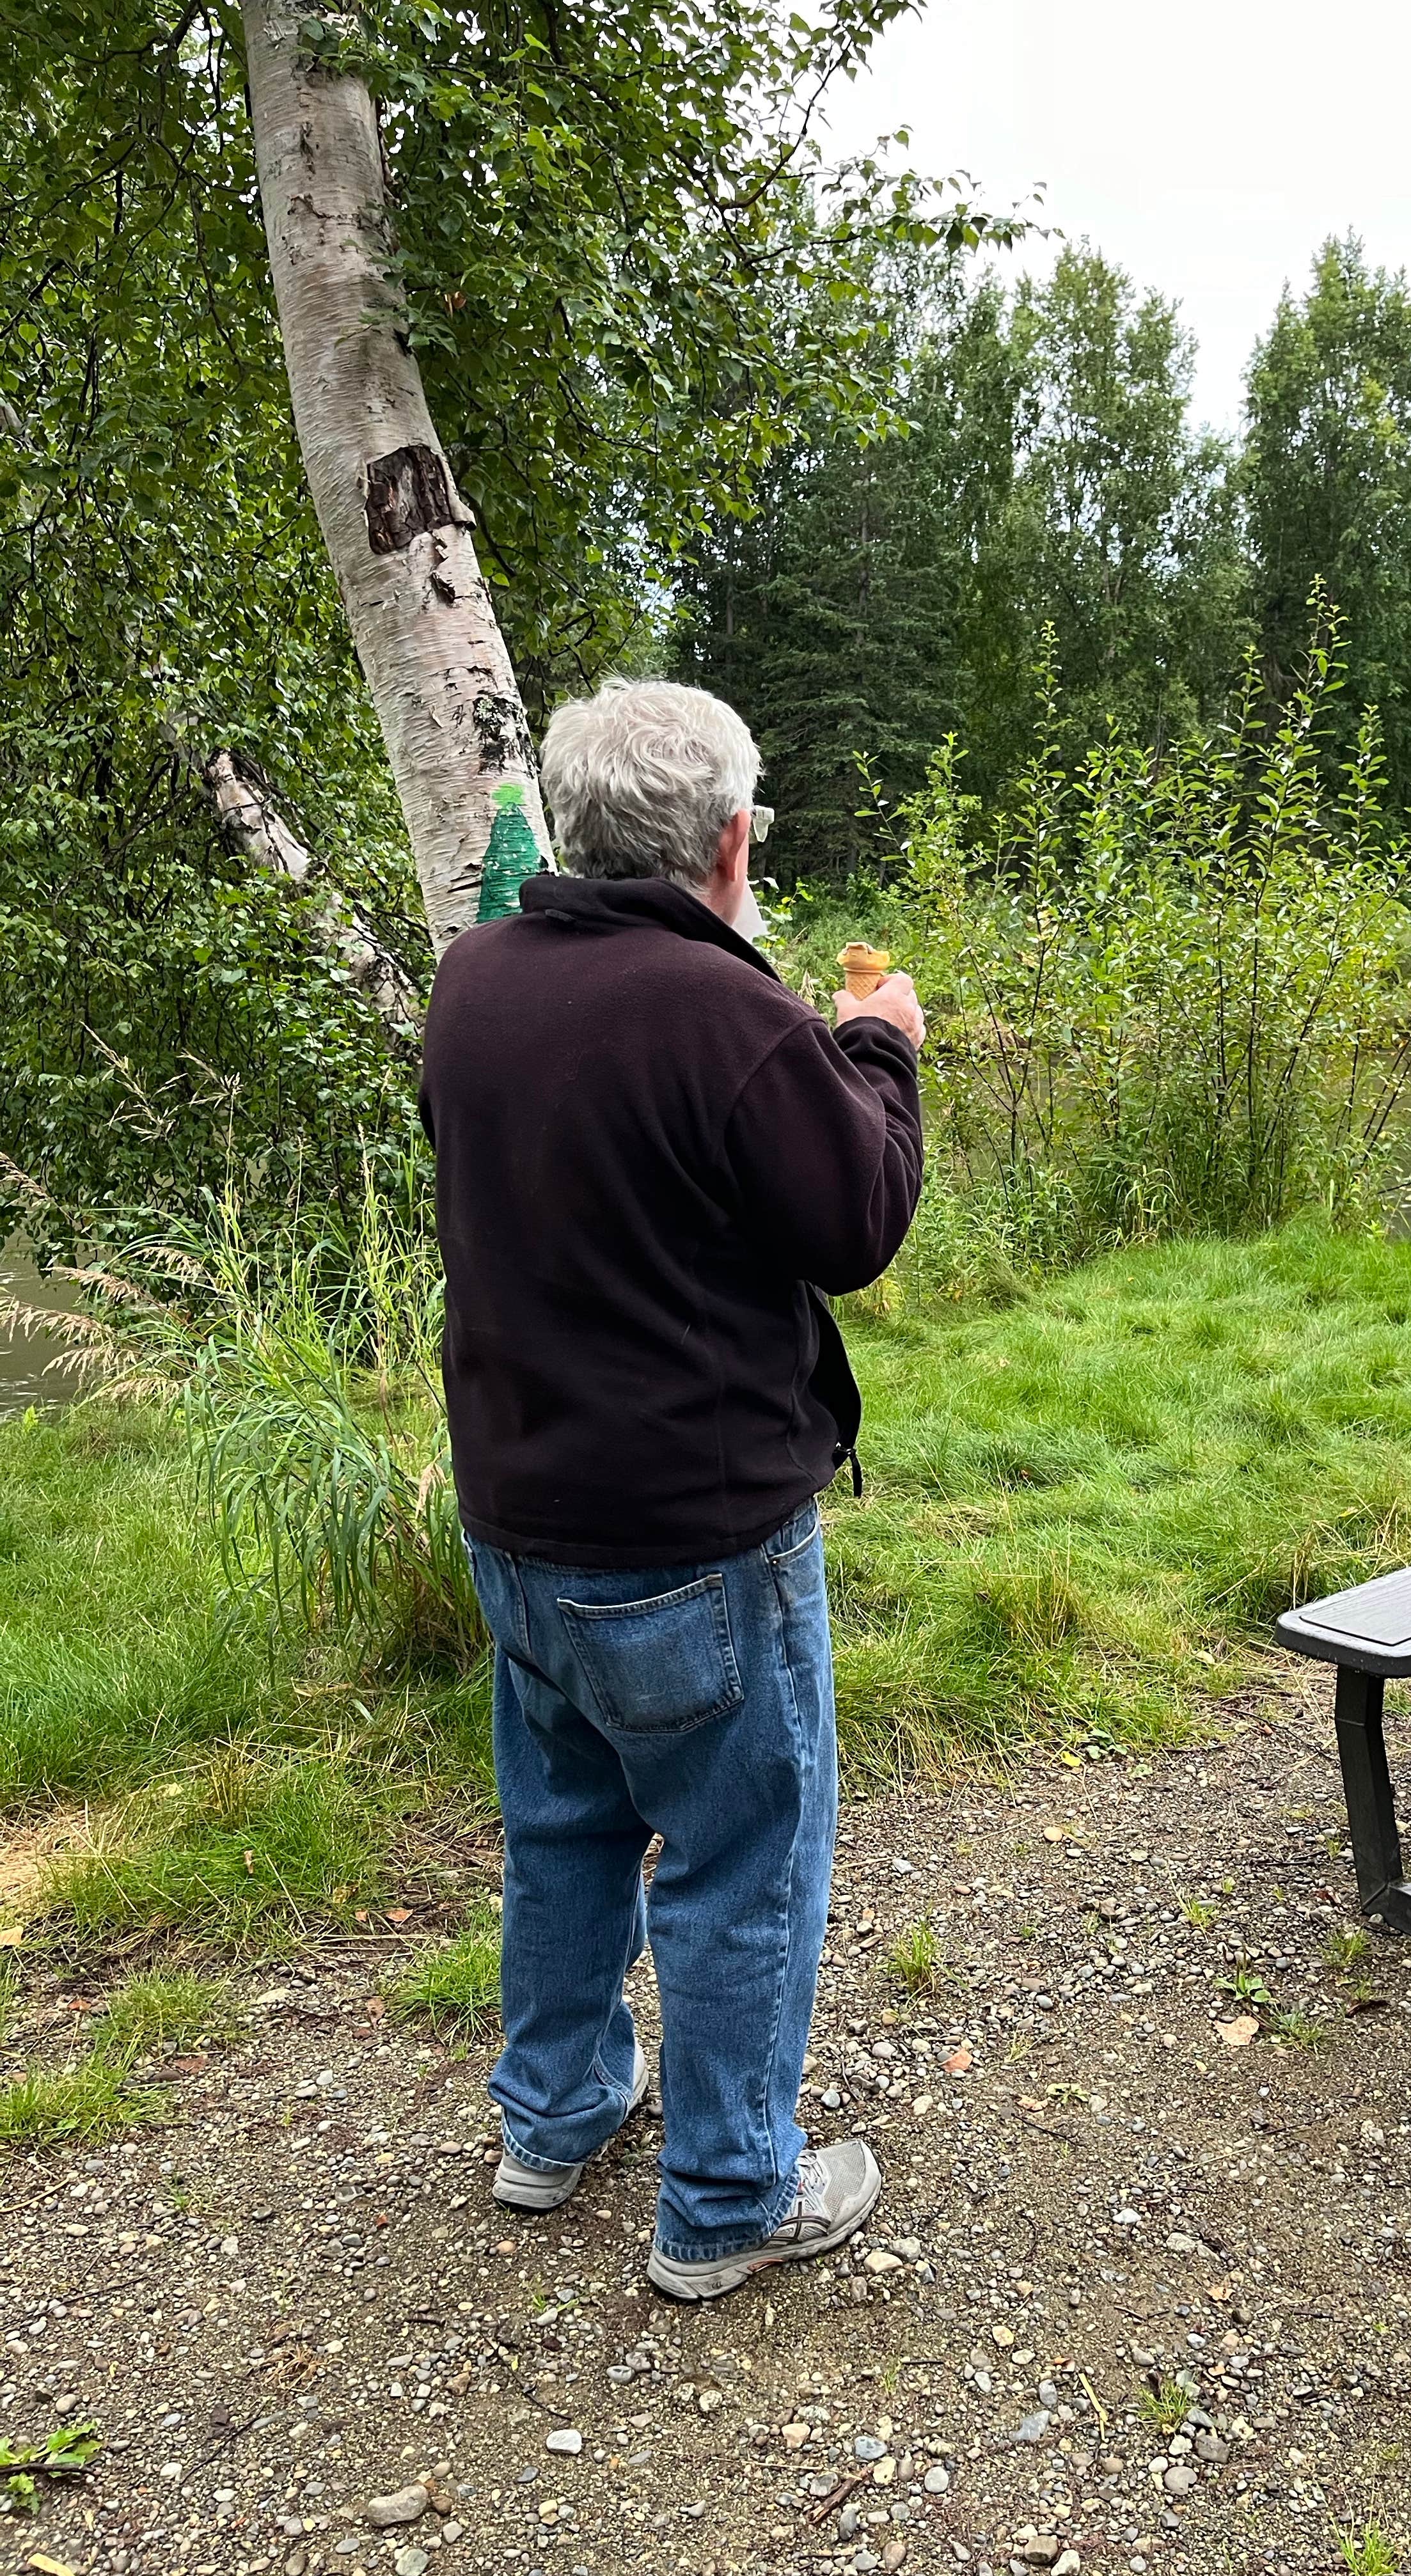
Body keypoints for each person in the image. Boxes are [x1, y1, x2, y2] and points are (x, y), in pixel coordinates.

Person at [418, 678, 924, 2300]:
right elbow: (855, 1221)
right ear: (729, 841)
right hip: (694, 1542)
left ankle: (554, 2117)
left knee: (564, 1828)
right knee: (741, 1859)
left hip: (517, 1523)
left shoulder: (473, 981)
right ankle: (727, 2199)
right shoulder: (725, 1011)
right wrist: (882, 1045)